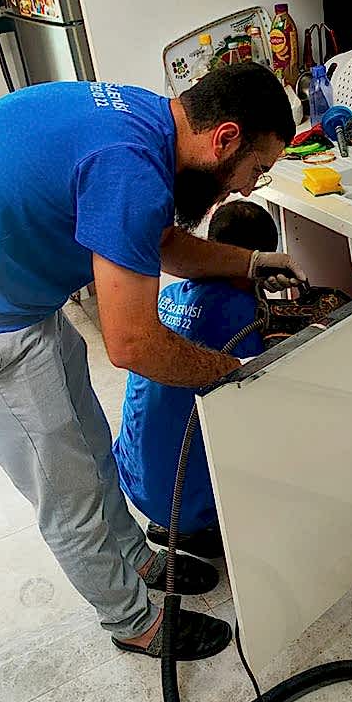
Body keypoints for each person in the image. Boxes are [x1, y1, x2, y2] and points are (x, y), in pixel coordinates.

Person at [0, 63, 306, 662]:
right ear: (225, 139)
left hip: (5, 290)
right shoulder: (130, 170)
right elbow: (132, 343)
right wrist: (235, 375)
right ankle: (133, 622)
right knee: (66, 486)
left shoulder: (149, 125)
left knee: (89, 442)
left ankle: (137, 558)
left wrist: (251, 263)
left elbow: (159, 241)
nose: (246, 189)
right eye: (256, 169)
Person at [114, 200, 278, 561]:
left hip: (134, 481)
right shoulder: (245, 315)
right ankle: (195, 527)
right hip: (186, 508)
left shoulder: (166, 297)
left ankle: (172, 520)